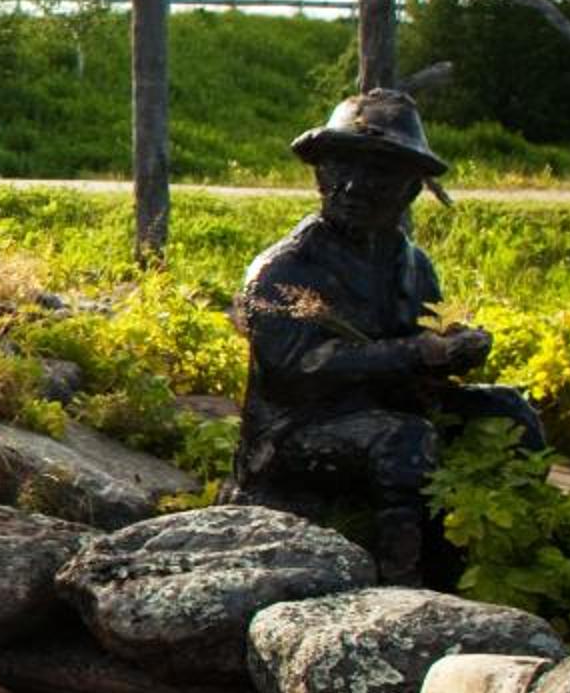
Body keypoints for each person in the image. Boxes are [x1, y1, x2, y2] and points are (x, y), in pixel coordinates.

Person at [223, 89, 545, 585]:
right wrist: (416, 352)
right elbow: (295, 369)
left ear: (410, 189)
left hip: (391, 407)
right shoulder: (284, 269)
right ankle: (404, 582)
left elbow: (423, 346)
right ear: (320, 174)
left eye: (379, 173)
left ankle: (519, 545)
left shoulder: (413, 266)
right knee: (403, 438)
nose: (354, 186)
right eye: (341, 167)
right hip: (297, 431)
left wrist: (453, 349)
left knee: (509, 409)